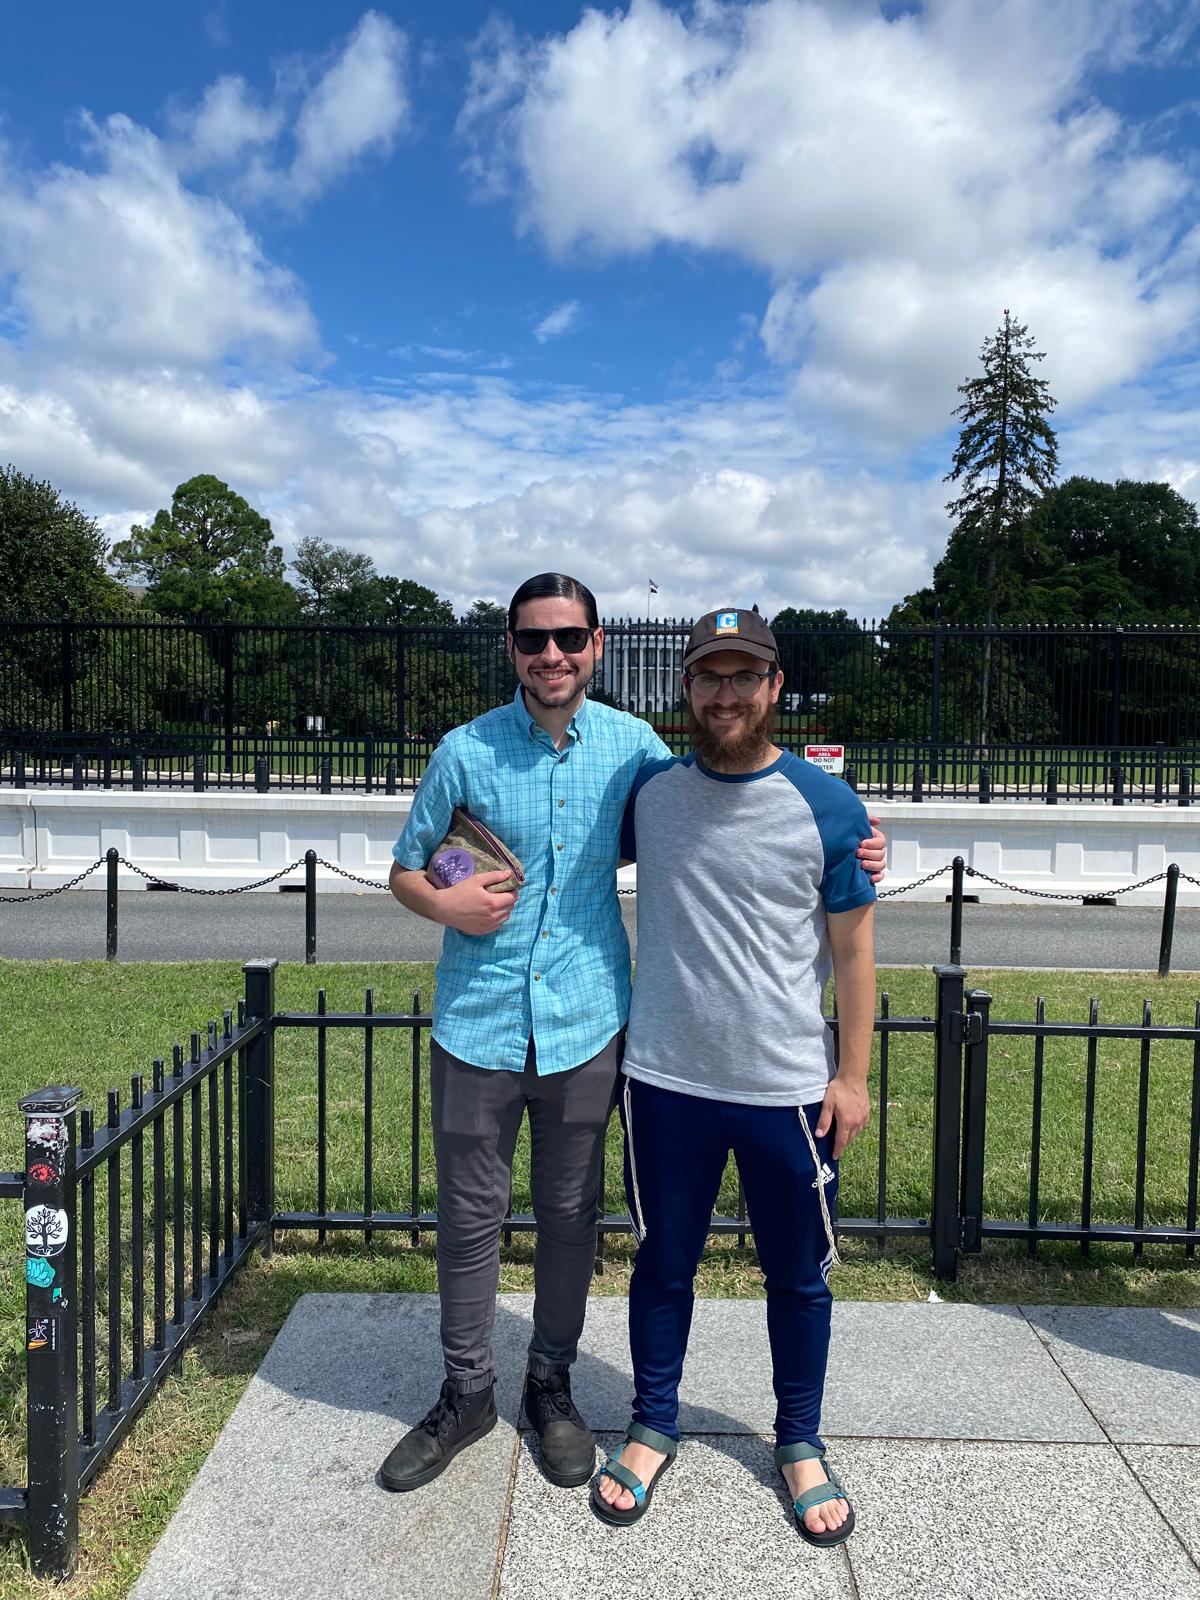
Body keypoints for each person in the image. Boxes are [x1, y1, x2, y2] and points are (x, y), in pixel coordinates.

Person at [379, 575, 886, 1496]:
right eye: (534, 639)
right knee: (470, 1219)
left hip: (586, 1024)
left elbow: (762, 823)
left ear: (598, 645)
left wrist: (858, 837)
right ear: (511, 647)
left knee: (572, 1218)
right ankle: (466, 1393)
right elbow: (408, 869)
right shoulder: (470, 751)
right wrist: (441, 901)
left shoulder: (636, 756)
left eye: (569, 637)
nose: (552, 654)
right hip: (481, 1017)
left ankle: (551, 1385)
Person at [592, 607, 875, 1548]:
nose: (726, 694)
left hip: (785, 1086)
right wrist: (442, 864)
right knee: (662, 1263)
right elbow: (556, 839)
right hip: (666, 1078)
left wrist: (853, 1077)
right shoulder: (652, 796)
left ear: (774, 686)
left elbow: (856, 951)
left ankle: (799, 1441)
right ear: (686, 687)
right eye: (709, 676)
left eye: (743, 676)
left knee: (797, 1278)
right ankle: (652, 1424)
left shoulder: (827, 806)